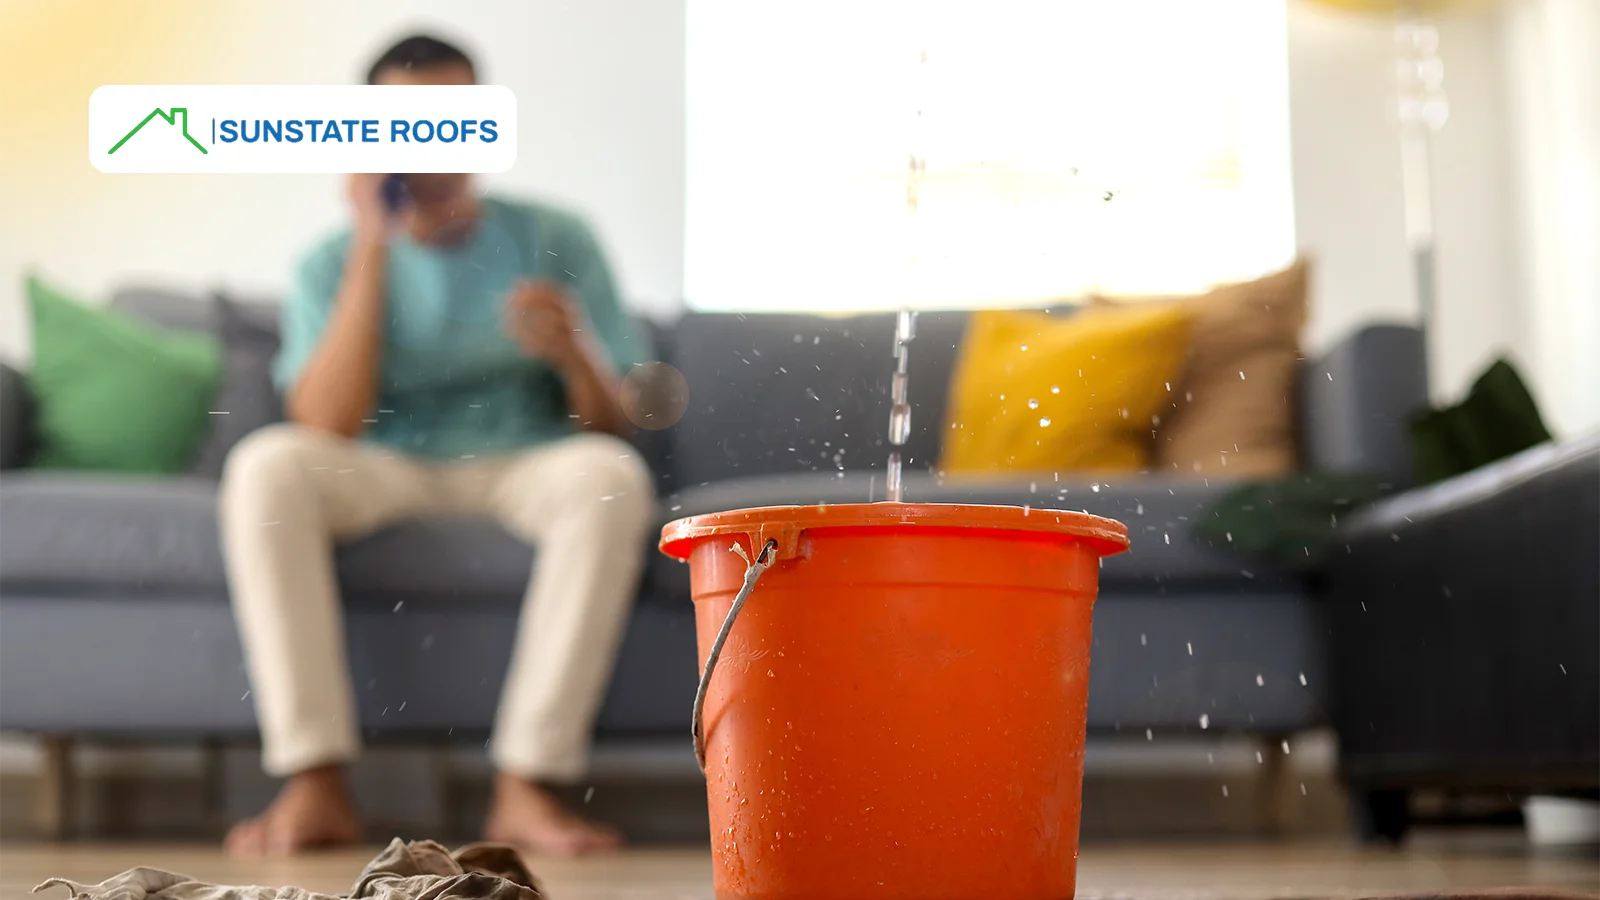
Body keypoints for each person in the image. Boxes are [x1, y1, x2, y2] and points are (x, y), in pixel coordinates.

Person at [219, 34, 654, 858]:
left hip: (524, 462)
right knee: (265, 466)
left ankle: (526, 786)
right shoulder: (329, 261)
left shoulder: (558, 235)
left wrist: (574, 353)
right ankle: (315, 782)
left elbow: (614, 422)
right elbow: (325, 423)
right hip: (383, 464)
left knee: (612, 478)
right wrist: (373, 245)